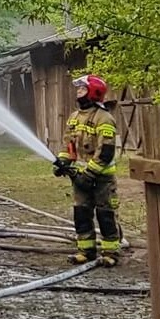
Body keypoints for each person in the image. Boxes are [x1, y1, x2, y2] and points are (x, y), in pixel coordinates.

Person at [53, 74, 122, 266]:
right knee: (81, 214)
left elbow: (105, 152)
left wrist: (89, 174)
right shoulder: (74, 118)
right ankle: (86, 250)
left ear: (93, 92)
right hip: (81, 179)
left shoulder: (104, 118)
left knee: (105, 214)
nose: (78, 92)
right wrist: (62, 162)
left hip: (101, 179)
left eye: (82, 89)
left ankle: (110, 253)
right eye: (78, 89)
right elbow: (69, 146)